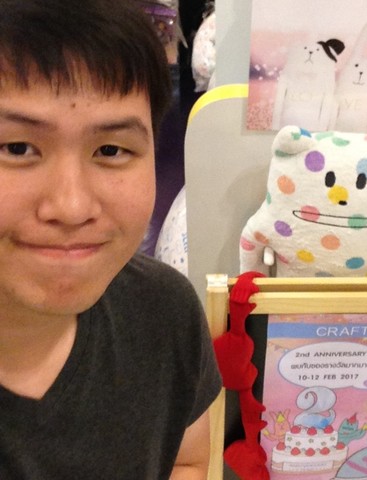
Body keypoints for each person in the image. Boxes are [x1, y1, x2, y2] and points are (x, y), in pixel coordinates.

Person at [0, 0, 222, 478]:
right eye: (16, 147)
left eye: (111, 149)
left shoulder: (165, 312)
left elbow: (186, 459)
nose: (72, 207)